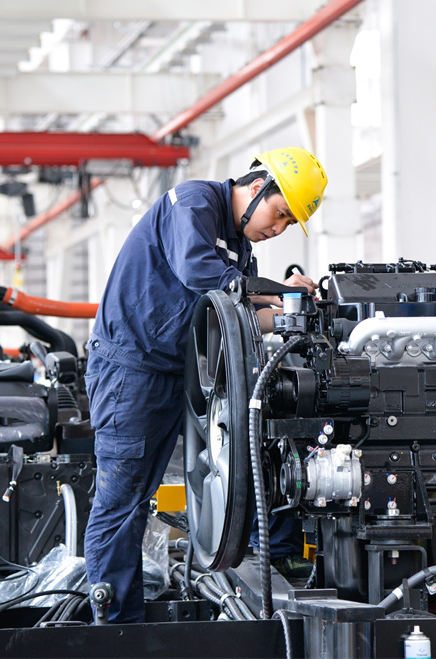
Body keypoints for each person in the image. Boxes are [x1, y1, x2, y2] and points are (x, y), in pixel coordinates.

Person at [83, 147, 328, 623]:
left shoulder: (240, 248)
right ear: (257, 188)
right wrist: (277, 290)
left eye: (288, 223)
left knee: (155, 494)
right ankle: (115, 629)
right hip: (130, 373)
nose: (278, 228)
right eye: (280, 213)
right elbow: (200, 271)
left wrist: (292, 312)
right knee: (122, 502)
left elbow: (239, 314)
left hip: (176, 376)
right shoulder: (194, 203)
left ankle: (135, 617)